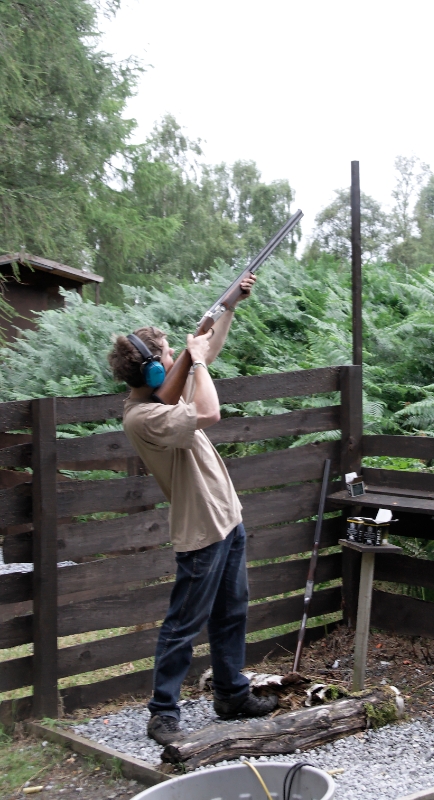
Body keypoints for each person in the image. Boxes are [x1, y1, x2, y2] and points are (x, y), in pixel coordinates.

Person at [107, 274, 277, 746]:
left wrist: (229, 308)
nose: (171, 360)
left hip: (228, 518)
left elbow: (205, 351)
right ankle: (163, 712)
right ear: (154, 374)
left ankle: (231, 694)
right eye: (165, 357)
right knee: (183, 624)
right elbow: (210, 411)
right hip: (201, 532)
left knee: (232, 613)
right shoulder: (144, 417)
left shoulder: (162, 394)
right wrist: (196, 362)